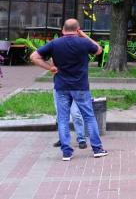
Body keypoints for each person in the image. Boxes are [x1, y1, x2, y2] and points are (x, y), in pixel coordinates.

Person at [30, 19, 108, 161]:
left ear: (63, 29)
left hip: (61, 86)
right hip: (81, 87)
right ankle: (97, 149)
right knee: (89, 117)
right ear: (77, 30)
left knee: (63, 119)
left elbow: (34, 57)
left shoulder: (55, 44)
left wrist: (50, 68)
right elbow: (98, 50)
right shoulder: (83, 42)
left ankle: (66, 152)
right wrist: (84, 35)